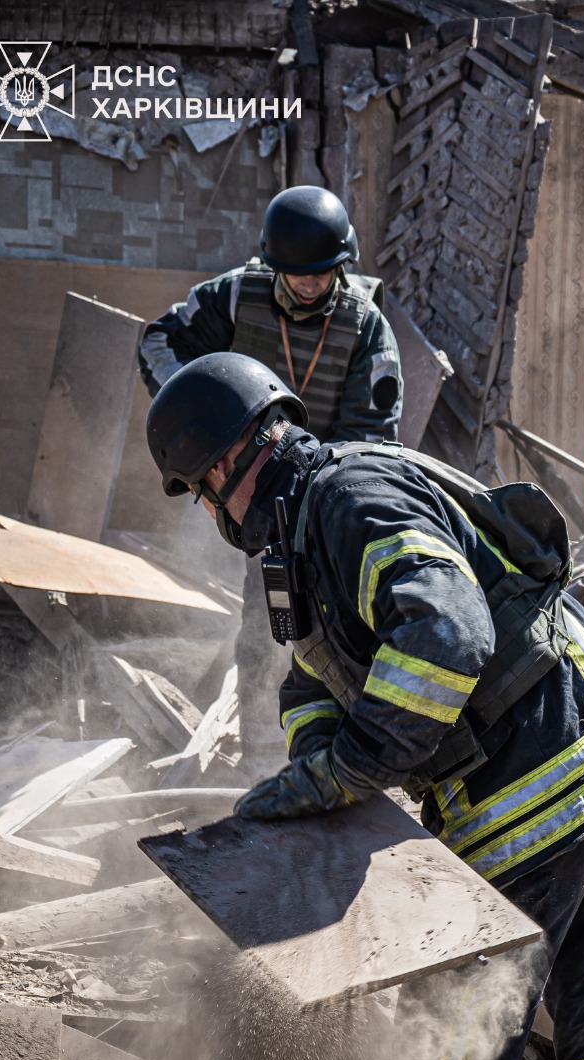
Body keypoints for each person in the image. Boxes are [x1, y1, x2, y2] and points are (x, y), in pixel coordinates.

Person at [144, 352, 584, 1060]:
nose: (207, 509)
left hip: (540, 778)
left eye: (200, 488)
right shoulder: (309, 522)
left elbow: (447, 634)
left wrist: (349, 771)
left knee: (452, 1046)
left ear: (229, 460)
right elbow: (316, 676)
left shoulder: (345, 501)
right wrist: (316, 776)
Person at [137, 184, 405, 771]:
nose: (309, 285)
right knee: (265, 631)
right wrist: (197, 424)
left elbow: (372, 435)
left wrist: (325, 499)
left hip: (332, 502)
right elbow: (159, 341)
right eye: (296, 274)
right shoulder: (236, 296)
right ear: (273, 264)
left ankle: (345, 763)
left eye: (322, 274)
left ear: (342, 263)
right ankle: (263, 760)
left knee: (341, 629)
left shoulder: (366, 328)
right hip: (255, 499)